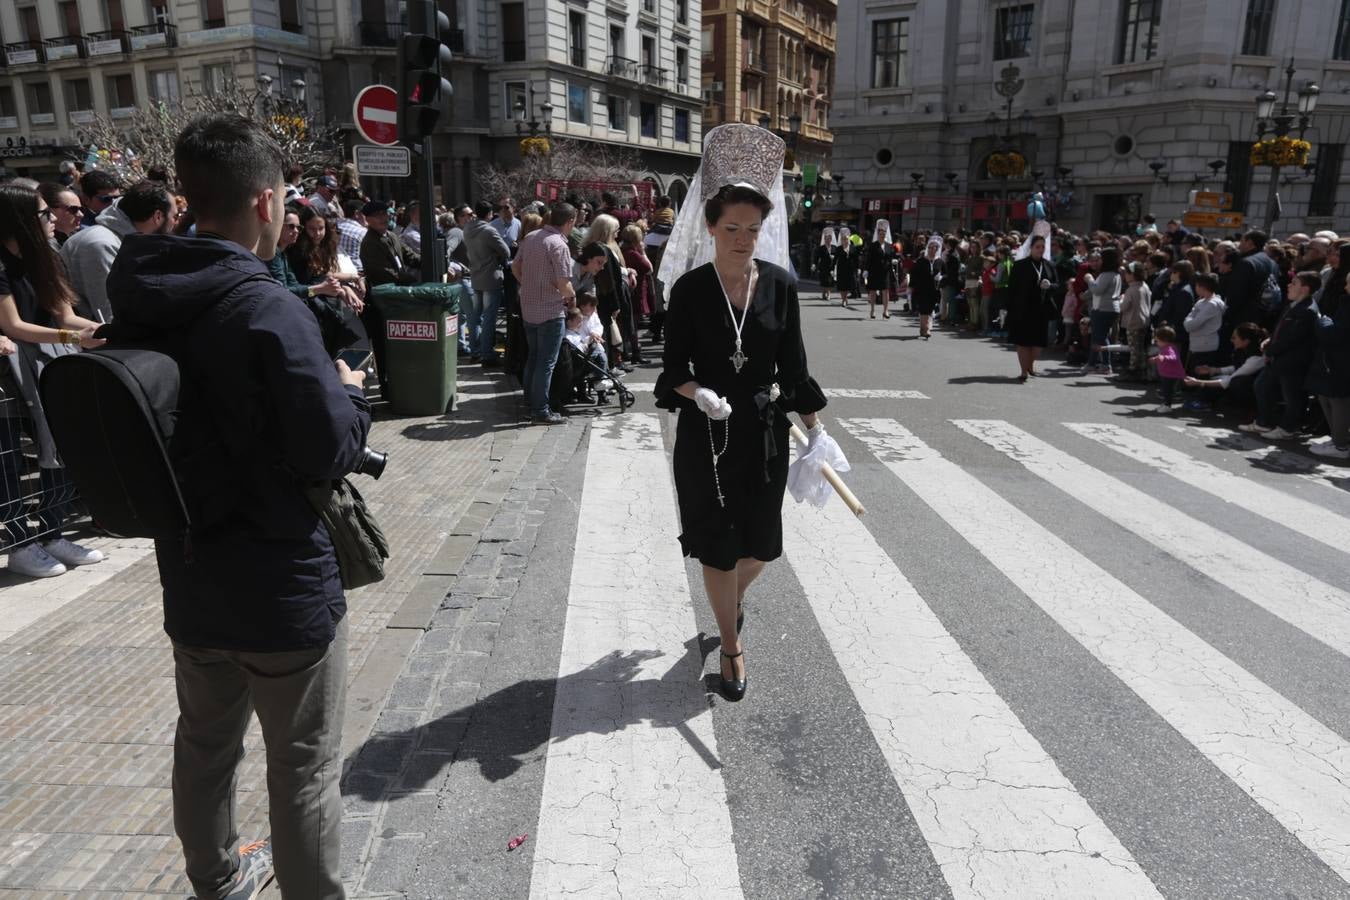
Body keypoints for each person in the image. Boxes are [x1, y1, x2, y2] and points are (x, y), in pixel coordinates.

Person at [105, 113, 370, 900]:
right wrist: (351, 392)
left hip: (190, 568)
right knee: (303, 768)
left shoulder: (140, 288)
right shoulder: (266, 307)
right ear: (263, 201)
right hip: (282, 580)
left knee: (205, 746)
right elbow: (329, 445)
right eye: (285, 200)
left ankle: (217, 883)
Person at [654, 123, 833, 703]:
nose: (742, 239)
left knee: (760, 546)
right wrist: (697, 393)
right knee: (715, 544)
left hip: (761, 433)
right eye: (731, 228)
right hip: (705, 436)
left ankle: (730, 601)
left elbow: (796, 366)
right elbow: (672, 371)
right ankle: (731, 648)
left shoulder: (780, 286)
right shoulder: (689, 290)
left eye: (752, 230)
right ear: (709, 227)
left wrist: (817, 430)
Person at [0, 182, 107, 579]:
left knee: (60, 452)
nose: (53, 220)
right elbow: (14, 325)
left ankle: (52, 533)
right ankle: (20, 543)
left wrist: (105, 329)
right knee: (9, 463)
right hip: (11, 378)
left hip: (50, 367)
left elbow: (65, 316)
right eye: (44, 213)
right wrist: (71, 338)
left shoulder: (47, 256)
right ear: (19, 220)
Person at [60, 180, 176, 323]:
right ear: (158, 217)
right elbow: (109, 315)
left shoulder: (129, 241)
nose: (175, 223)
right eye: (174, 217)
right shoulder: (101, 244)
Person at [511, 203, 577, 425]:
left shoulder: (531, 237)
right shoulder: (558, 244)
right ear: (570, 221)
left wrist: (528, 284)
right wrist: (572, 297)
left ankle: (531, 405)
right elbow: (564, 284)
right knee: (545, 362)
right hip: (550, 309)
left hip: (529, 307)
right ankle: (540, 410)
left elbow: (515, 266)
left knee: (534, 358)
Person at [1241, 271, 1320, 440]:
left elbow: (1292, 339)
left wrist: (1270, 349)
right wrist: (1269, 340)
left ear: (1305, 289)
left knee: (1292, 397)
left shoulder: (1307, 311)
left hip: (1291, 362)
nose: (1289, 285)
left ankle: (1287, 428)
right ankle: (1263, 422)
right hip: (1277, 359)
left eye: (1294, 283)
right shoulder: (1293, 305)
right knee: (1261, 386)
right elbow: (1282, 330)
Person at [1307, 269, 1350, 459]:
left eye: (1349, 283)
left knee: (1337, 399)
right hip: (1336, 359)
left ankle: (1340, 445)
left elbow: (1335, 333)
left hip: (1342, 361)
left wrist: (1323, 321)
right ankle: (1337, 439)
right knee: (1326, 395)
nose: (1346, 287)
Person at [464, 200, 510, 366]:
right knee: (489, 318)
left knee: (475, 317)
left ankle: (475, 351)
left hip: (475, 276)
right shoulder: (489, 230)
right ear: (490, 214)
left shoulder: (467, 228)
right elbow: (506, 250)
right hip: (491, 278)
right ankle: (487, 355)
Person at [1005, 234, 1056, 382]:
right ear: (1031, 248)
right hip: (1022, 309)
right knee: (1023, 342)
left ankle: (1030, 364)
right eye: (1037, 247)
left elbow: (1058, 285)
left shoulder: (1049, 265)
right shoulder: (1020, 265)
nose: (1040, 250)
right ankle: (1023, 371)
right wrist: (1007, 307)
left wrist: (1050, 285)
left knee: (1038, 344)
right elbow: (1012, 288)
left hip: (1042, 309)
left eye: (1042, 247)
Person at [1185, 322, 1267, 408]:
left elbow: (1229, 381)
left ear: (1245, 341)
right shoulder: (1244, 351)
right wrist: (1213, 370)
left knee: (1235, 382)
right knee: (1212, 377)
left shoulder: (1256, 358)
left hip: (1248, 388)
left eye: (1234, 338)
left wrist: (1198, 383)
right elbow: (1236, 367)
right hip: (1238, 380)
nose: (1231, 340)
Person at [1083, 246, 1122, 373]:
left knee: (1096, 338)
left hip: (1103, 309)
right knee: (1103, 337)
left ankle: (1091, 364)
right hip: (1110, 309)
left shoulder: (1107, 274)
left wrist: (1089, 279)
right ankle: (1106, 364)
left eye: (1100, 259)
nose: (1098, 261)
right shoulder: (1116, 274)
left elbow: (1097, 290)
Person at [1183, 272, 1227, 372]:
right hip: (1198, 344)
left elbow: (1191, 325)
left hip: (1205, 346)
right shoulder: (1202, 301)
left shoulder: (1212, 304)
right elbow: (1190, 319)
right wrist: (1190, 319)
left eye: (1197, 285)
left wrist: (1189, 320)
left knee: (1201, 375)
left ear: (1202, 287)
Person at [1119, 262, 1153, 382]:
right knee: (1141, 348)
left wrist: (1121, 299)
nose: (1125, 276)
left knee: (1134, 348)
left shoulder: (1131, 289)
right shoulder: (1145, 286)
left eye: (1127, 273)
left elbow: (1123, 307)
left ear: (1132, 275)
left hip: (1133, 322)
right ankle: (1143, 371)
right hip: (1144, 321)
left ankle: (1133, 371)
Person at [910, 235, 942, 340]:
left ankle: (926, 328)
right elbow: (914, 274)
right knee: (923, 309)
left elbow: (946, 273)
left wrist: (941, 277)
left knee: (930, 309)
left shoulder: (940, 261)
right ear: (927, 248)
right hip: (922, 288)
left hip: (934, 289)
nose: (932, 249)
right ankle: (925, 328)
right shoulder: (921, 261)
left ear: (937, 249)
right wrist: (911, 286)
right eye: (930, 247)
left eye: (934, 248)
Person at [1149, 325, 1185, 413]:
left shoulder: (1169, 348)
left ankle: (1167, 406)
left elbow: (1173, 357)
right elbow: (1162, 357)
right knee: (1166, 390)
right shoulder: (1166, 347)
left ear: (1163, 340)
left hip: (1171, 374)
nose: (1156, 342)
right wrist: (1157, 358)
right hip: (1167, 374)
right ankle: (1166, 403)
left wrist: (1163, 357)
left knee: (1168, 390)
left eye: (1157, 340)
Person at [864, 220, 895, 319]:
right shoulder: (873, 246)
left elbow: (891, 257)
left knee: (885, 291)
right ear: (877, 234)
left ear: (886, 234)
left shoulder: (889, 246)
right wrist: (866, 270)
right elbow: (869, 259)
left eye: (884, 234)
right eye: (880, 234)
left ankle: (885, 311)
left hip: (885, 272)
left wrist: (894, 261)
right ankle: (872, 310)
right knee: (873, 291)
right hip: (874, 271)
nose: (882, 235)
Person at [37, 182, 83, 246]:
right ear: (50, 210)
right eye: (73, 209)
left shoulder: (78, 235)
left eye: (81, 209)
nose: (81, 214)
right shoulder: (44, 247)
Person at [336, 199, 369, 275]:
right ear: (357, 214)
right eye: (365, 214)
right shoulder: (363, 232)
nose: (367, 217)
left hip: (338, 271)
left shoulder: (335, 225)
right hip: (358, 273)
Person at [834, 226, 857, 308]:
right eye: (843, 239)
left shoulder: (853, 248)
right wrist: (832, 268)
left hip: (850, 269)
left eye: (846, 239)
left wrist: (858, 268)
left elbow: (856, 259)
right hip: (841, 268)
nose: (845, 240)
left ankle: (845, 298)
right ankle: (843, 299)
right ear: (841, 240)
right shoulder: (838, 249)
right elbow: (835, 259)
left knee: (848, 285)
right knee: (841, 285)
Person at [814, 228, 837, 303]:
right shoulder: (821, 248)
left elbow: (837, 256)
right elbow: (817, 257)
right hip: (823, 266)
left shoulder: (834, 247)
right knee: (824, 281)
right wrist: (814, 264)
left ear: (831, 239)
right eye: (826, 239)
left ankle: (828, 294)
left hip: (831, 266)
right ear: (824, 239)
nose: (828, 240)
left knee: (830, 281)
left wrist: (834, 258)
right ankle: (824, 292)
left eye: (829, 238)